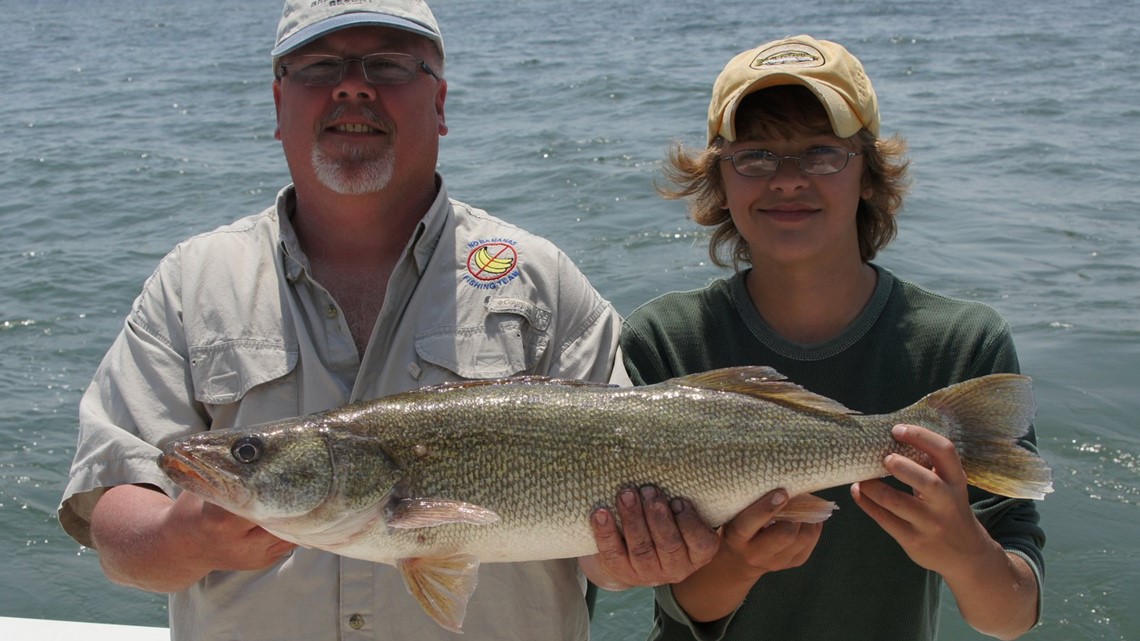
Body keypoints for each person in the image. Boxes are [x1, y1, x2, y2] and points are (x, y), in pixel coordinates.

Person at [58, 1, 717, 639]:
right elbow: (119, 518)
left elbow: (606, 553)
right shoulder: (191, 281)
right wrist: (183, 536)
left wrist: (643, 550)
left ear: (439, 102)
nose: (352, 88)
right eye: (318, 66)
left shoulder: (540, 279)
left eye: (389, 64)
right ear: (277, 105)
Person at [620, 35, 1046, 641]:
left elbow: (1010, 617)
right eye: (756, 155)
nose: (788, 180)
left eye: (821, 153)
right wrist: (738, 565)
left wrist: (964, 551)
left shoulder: (962, 345)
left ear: (869, 173)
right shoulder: (663, 340)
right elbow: (678, 605)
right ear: (719, 178)